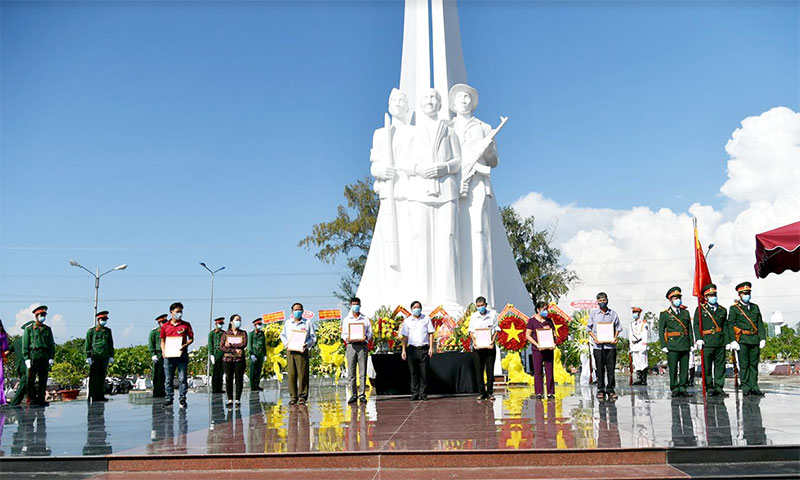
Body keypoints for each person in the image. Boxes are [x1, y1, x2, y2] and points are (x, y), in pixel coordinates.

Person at [727, 282, 766, 396]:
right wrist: (733, 340)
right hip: (742, 340)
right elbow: (730, 325)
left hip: (754, 339)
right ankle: (745, 387)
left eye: (748, 293)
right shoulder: (734, 309)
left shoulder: (755, 307)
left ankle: (754, 386)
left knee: (753, 365)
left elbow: (759, 323)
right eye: (744, 293)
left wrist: (762, 338)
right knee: (744, 365)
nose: (747, 295)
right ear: (739, 295)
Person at [586, 292, 622, 400]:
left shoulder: (613, 313)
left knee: (611, 369)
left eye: (604, 300)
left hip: (610, 346)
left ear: (607, 300)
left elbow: (618, 328)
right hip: (598, 346)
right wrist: (595, 338)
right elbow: (588, 329)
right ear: (597, 302)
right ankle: (600, 390)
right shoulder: (593, 314)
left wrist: (615, 337)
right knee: (600, 368)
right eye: (600, 301)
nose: (602, 302)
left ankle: (610, 390)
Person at [659, 287, 693, 397]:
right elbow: (661, 330)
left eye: (679, 297)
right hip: (672, 345)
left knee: (684, 368)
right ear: (670, 300)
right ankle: (674, 387)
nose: (678, 299)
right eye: (675, 298)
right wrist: (663, 345)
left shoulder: (685, 313)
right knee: (673, 368)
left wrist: (691, 343)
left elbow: (689, 329)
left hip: (684, 343)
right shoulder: (665, 314)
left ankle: (683, 387)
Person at [280, 302, 317, 405]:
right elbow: (282, 335)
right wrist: (286, 344)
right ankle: (293, 397)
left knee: (303, 374)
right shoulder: (288, 323)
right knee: (291, 374)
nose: (298, 311)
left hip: (302, 351)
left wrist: (307, 344)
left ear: (303, 311)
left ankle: (302, 397)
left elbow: (313, 337)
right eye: (296, 310)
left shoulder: (307, 323)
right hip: (290, 351)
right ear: (292, 312)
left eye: (299, 309)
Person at [160, 302, 194, 409]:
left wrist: (185, 345)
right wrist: (163, 351)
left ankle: (182, 399)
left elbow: (191, 339)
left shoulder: (186, 325)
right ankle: (169, 399)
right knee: (168, 379)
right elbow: (162, 340)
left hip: (181, 355)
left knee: (182, 378)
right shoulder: (165, 326)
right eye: (177, 311)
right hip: (169, 356)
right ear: (171, 312)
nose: (179, 313)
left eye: (181, 311)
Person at [400, 300, 434, 401]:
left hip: (423, 348)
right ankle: (414, 393)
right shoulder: (407, 321)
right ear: (411, 309)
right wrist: (403, 350)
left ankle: (423, 393)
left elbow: (431, 333)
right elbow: (404, 336)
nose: (416, 309)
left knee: (424, 372)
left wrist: (431, 347)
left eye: (418, 307)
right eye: (414, 307)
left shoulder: (426, 319)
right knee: (413, 372)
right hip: (412, 349)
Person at [22, 305, 56, 406]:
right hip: (33, 355)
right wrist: (26, 358)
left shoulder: (47, 329)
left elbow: (51, 344)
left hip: (44, 355)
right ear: (36, 316)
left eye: (44, 315)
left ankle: (41, 399)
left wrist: (51, 356)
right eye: (41, 315)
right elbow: (25, 344)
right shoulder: (29, 329)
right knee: (30, 379)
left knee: (43, 378)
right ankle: (32, 400)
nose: (43, 317)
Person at [341, 297, 372, 404]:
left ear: (360, 305)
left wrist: (366, 337)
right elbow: (344, 334)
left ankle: (362, 394)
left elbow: (370, 333)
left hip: (362, 346)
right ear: (350, 306)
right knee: (351, 372)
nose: (356, 306)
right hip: (351, 346)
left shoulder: (365, 319)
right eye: (354, 304)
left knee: (362, 372)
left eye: (357, 304)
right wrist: (347, 338)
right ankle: (353, 395)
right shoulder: (347, 319)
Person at [468, 296, 499, 400]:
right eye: (478, 306)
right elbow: (471, 331)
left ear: (486, 305)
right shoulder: (474, 316)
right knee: (478, 370)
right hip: (478, 347)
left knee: (490, 369)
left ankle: (490, 392)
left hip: (489, 346)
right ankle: (481, 392)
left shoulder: (492, 314)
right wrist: (475, 342)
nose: (480, 307)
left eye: (482, 305)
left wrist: (492, 342)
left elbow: (496, 330)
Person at [526, 301, 556, 400]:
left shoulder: (549, 321)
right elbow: (528, 335)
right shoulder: (532, 321)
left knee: (549, 371)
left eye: (547, 309)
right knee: (538, 372)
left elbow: (554, 334)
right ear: (538, 310)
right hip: (537, 350)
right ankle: (539, 392)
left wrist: (554, 343)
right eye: (543, 309)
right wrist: (537, 344)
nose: (546, 311)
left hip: (549, 349)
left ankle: (550, 392)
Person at [85, 311, 115, 402]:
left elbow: (110, 344)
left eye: (105, 319)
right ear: (98, 320)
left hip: (104, 356)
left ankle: (100, 395)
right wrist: (88, 356)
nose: (104, 321)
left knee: (102, 376)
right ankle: (93, 396)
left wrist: (111, 355)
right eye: (103, 319)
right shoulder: (91, 331)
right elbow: (88, 344)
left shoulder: (108, 331)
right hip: (95, 356)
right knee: (94, 377)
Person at [220, 314, 247, 407]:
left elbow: (243, 343)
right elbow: (222, 346)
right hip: (227, 359)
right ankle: (230, 399)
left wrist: (230, 344)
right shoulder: (225, 334)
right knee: (229, 379)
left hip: (239, 359)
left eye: (239, 320)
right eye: (236, 320)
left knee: (239, 379)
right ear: (231, 322)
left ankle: (238, 399)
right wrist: (234, 349)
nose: (238, 322)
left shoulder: (243, 333)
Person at [8, 318, 35, 406]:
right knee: (24, 384)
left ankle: (33, 400)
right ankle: (14, 403)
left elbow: (7, 351)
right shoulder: (31, 341)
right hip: (26, 366)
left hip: (19, 366)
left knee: (29, 384)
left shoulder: (17, 341)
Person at [628, 307, 649, 385]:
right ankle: (639, 379)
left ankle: (644, 379)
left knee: (643, 362)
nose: (634, 314)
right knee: (636, 363)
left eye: (636, 312)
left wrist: (644, 345)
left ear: (639, 313)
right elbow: (630, 336)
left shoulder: (644, 323)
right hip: (634, 345)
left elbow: (645, 334)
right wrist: (630, 346)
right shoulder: (631, 324)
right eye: (633, 312)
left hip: (641, 344)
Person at [148, 314, 167, 398]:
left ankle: (162, 390)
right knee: (157, 374)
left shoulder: (168, 331)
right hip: (158, 353)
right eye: (162, 322)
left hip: (167, 354)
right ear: (159, 323)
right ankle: (156, 391)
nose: (163, 323)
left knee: (165, 374)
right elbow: (151, 344)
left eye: (165, 322)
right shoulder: (154, 332)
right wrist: (153, 354)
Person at [248, 318, 267, 391]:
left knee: (259, 371)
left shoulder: (262, 333)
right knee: (253, 371)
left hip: (260, 354)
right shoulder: (251, 333)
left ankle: (257, 385)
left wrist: (265, 354)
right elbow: (249, 345)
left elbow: (263, 344)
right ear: (255, 325)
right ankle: (252, 386)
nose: (260, 326)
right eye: (259, 324)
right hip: (254, 354)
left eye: (260, 324)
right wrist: (251, 354)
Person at [208, 317, 225, 394]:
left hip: (222, 353)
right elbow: (210, 345)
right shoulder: (211, 334)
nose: (221, 325)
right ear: (216, 324)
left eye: (222, 324)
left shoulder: (224, 333)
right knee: (215, 372)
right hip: (215, 353)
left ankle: (219, 388)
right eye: (220, 324)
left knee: (221, 372)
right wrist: (211, 354)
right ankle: (214, 388)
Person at [0, 319, 9, 405]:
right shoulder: (2, 334)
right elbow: (6, 348)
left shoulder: (2, 335)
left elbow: (6, 348)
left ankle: (2, 399)